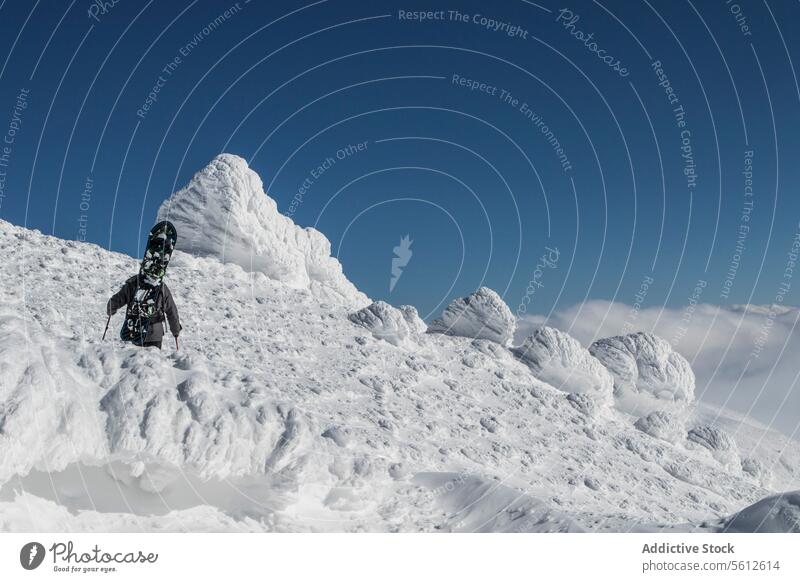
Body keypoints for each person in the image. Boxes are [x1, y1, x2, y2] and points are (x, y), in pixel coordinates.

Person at [107, 275, 181, 349]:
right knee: (153, 359)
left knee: (134, 358)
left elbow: (114, 301)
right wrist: (176, 330)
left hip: (134, 331)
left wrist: (111, 310)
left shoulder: (133, 283)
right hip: (155, 334)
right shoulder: (161, 286)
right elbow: (172, 311)